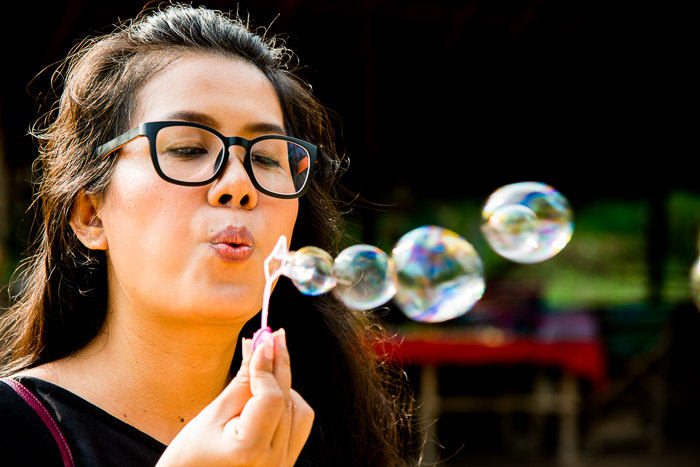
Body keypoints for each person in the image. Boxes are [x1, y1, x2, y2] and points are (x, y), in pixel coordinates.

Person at [0, 3, 417, 466]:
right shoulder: (14, 431)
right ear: (91, 215)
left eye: (266, 158)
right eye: (187, 148)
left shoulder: (328, 435)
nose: (238, 185)